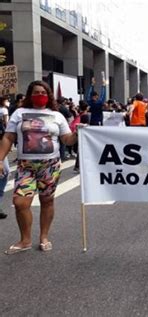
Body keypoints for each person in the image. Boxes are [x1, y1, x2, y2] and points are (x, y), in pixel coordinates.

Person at [0, 80, 78, 254]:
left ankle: (44, 236)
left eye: (43, 93)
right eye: (36, 92)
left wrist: (77, 133)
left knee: (47, 201)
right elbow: (8, 137)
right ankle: (25, 240)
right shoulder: (19, 113)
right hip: (25, 166)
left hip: (50, 165)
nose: (40, 96)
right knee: (20, 203)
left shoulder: (57, 116)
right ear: (30, 95)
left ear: (49, 96)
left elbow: (67, 140)